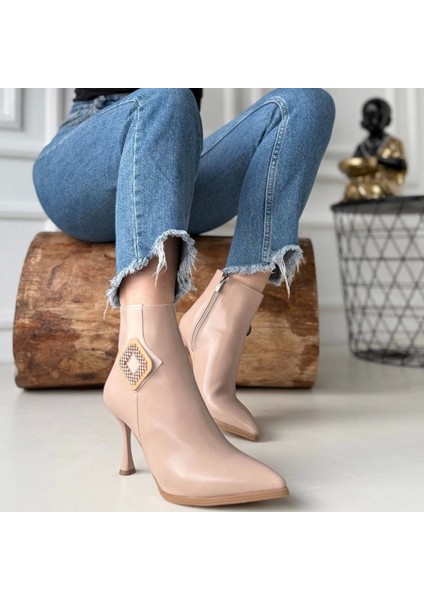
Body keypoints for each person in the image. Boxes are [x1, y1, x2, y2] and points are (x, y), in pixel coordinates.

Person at [32, 88, 335, 507]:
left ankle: (219, 324)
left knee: (306, 105)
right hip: (86, 159)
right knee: (168, 99)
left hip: (170, 158)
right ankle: (141, 366)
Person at [339, 97, 407, 200]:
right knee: (351, 188)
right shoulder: (362, 146)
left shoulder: (394, 143)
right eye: (368, 117)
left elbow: (401, 164)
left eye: (376, 117)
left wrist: (378, 161)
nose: (371, 121)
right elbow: (354, 167)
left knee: (376, 189)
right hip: (363, 181)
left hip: (384, 183)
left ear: (387, 120)